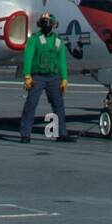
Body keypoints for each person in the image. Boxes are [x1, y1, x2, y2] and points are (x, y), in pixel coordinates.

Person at [19, 13, 76, 142]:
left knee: (58, 105)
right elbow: (28, 56)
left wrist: (65, 78)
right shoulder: (35, 39)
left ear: (54, 24)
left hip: (53, 77)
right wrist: (27, 75)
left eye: (49, 22)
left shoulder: (58, 41)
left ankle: (62, 133)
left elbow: (62, 61)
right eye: (44, 22)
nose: (46, 25)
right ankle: (25, 134)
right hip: (37, 77)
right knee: (31, 104)